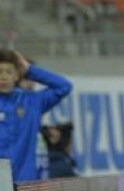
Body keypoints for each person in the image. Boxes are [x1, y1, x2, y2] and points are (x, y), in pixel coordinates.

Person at [0, 49, 73, 183]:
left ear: (17, 75)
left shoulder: (32, 101)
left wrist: (29, 69)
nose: (3, 77)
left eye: (9, 72)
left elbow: (64, 86)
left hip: (23, 182)